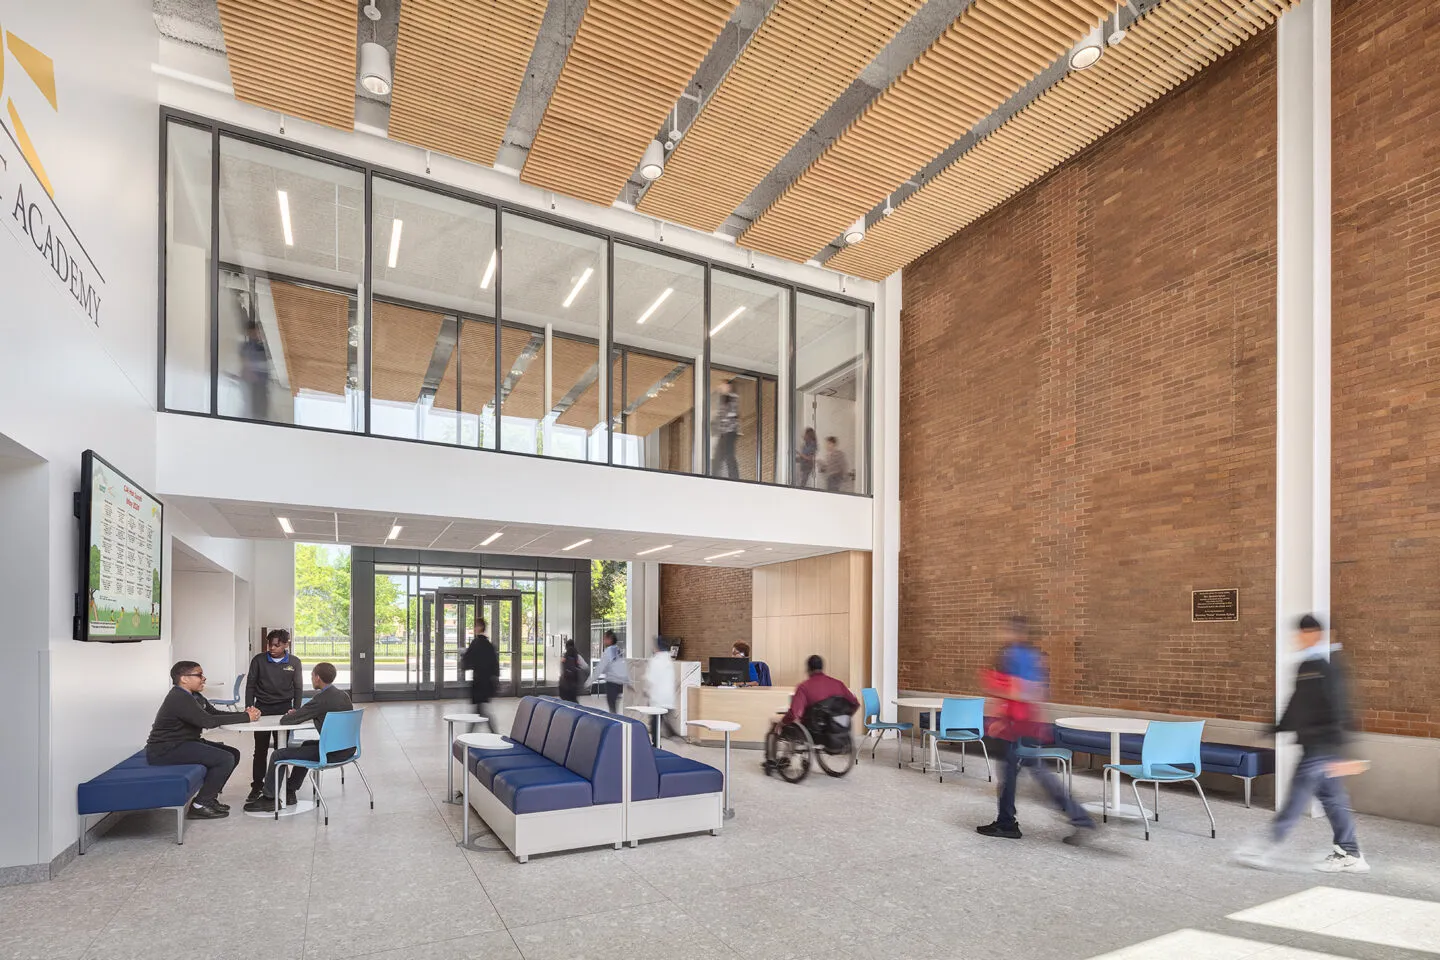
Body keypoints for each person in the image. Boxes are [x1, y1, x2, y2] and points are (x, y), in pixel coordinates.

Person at [1237, 615, 1369, 873]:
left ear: (1314, 634)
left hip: (1322, 747)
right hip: (1315, 747)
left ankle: (1264, 847)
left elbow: (1340, 708)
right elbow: (1297, 702)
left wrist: (1345, 753)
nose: (1297, 639)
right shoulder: (1307, 666)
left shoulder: (1328, 668)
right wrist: (1275, 728)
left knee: (1297, 796)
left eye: (1302, 634)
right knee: (1333, 799)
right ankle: (1350, 852)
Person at [977, 615, 1096, 843]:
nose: (1001, 634)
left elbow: (1027, 691)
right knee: (1014, 776)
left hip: (1020, 728)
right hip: (1019, 727)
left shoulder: (1018, 655)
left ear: (1016, 632)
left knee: (1030, 775)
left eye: (1005, 630)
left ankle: (1080, 819)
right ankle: (1006, 822)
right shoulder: (1025, 656)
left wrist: (995, 685)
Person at [146, 661, 259, 819]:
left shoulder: (194, 696)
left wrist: (246, 715)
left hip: (185, 743)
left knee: (233, 753)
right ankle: (201, 804)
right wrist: (246, 717)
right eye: (199, 675)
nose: (204, 678)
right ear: (184, 679)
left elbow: (214, 714)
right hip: (165, 750)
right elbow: (208, 722)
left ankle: (209, 798)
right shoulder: (178, 697)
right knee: (225, 759)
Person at [243, 662, 355, 812]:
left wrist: (295, 715)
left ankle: (269, 798)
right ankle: (290, 790)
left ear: (317, 678)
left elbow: (286, 721)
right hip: (348, 749)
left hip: (330, 753)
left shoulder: (320, 699)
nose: (311, 678)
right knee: (307, 744)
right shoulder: (343, 696)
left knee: (278, 754)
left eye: (312, 675)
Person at [243, 629, 304, 805]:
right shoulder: (258, 660)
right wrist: (250, 707)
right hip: (262, 709)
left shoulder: (294, 662)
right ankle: (257, 787)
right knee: (260, 750)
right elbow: (250, 686)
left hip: (285, 710)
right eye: (270, 644)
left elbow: (298, 687)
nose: (272, 648)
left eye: (277, 645)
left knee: (281, 749)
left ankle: (284, 787)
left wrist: (296, 710)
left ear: (286, 644)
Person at [778, 655, 858, 727]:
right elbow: (855, 704)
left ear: (808, 669)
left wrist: (781, 723)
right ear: (822, 668)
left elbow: (794, 713)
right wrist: (845, 718)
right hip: (838, 728)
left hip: (815, 731)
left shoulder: (803, 687)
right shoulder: (838, 684)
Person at [460, 618, 500, 733]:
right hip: (487, 683)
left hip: (478, 683)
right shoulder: (489, 645)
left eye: (475, 626)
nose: (474, 628)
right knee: (480, 710)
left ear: (479, 627)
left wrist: (463, 654)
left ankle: (491, 734)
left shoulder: (475, 643)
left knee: (480, 711)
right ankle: (492, 733)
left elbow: (467, 662)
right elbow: (495, 666)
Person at [645, 637, 681, 741]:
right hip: (668, 697)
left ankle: (656, 743)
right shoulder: (669, 660)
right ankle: (672, 734)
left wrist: (646, 691)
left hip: (657, 697)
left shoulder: (655, 661)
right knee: (662, 719)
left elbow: (651, 679)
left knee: (655, 721)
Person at [240, 319, 271, 420]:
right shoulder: (248, 347)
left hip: (261, 384)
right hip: (254, 384)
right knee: (256, 412)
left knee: (262, 411)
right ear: (250, 332)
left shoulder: (260, 347)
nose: (258, 333)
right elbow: (246, 363)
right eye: (256, 331)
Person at [712, 379, 741, 479]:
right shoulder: (724, 399)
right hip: (724, 432)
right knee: (719, 456)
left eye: (723, 386)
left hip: (730, 431)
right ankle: (714, 475)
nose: (720, 388)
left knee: (728, 454)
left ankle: (734, 477)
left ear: (729, 387)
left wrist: (717, 423)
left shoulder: (731, 398)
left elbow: (727, 414)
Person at [558, 639, 587, 703]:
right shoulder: (577, 656)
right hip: (574, 684)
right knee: (574, 702)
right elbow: (585, 667)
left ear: (566, 646)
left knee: (565, 702)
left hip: (564, 684)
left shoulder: (564, 656)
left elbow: (561, 669)